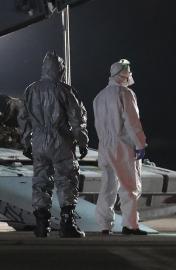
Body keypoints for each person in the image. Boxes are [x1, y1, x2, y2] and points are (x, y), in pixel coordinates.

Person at [18, 51, 88, 238]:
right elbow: (77, 119)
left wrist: (25, 142)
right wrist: (82, 141)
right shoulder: (66, 90)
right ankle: (67, 224)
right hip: (61, 140)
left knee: (40, 181)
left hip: (39, 141)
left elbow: (23, 119)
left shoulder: (31, 90)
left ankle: (42, 225)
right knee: (66, 179)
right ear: (60, 69)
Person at [93, 59, 148, 236]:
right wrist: (140, 144)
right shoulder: (125, 93)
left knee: (107, 186)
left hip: (104, 146)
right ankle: (130, 225)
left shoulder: (99, 96)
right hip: (123, 145)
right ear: (124, 74)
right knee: (130, 186)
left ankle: (104, 225)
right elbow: (132, 122)